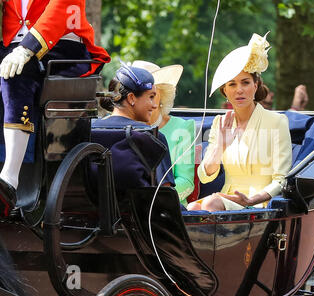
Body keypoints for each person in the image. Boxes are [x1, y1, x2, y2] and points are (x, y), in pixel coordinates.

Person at [0, 0, 110, 217]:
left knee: (15, 73)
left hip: (60, 48)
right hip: (11, 47)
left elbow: (61, 8)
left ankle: (10, 178)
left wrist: (27, 48)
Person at [187, 32, 292, 212]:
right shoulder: (220, 123)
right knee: (191, 209)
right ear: (225, 91)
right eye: (232, 85)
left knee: (210, 204)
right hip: (226, 198)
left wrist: (251, 200)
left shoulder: (277, 121)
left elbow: (281, 180)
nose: (239, 90)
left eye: (245, 82)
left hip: (260, 204)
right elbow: (205, 177)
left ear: (255, 85)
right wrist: (220, 146)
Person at [95, 64, 175, 192]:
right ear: (131, 98)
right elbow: (164, 195)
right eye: (151, 97)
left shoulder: (89, 130)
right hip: (138, 211)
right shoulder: (152, 137)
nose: (155, 105)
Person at [131, 60, 195, 207]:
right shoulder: (121, 126)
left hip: (168, 209)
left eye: (152, 94)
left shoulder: (182, 128)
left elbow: (186, 182)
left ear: (161, 95)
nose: (146, 100)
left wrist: (154, 200)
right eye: (139, 94)